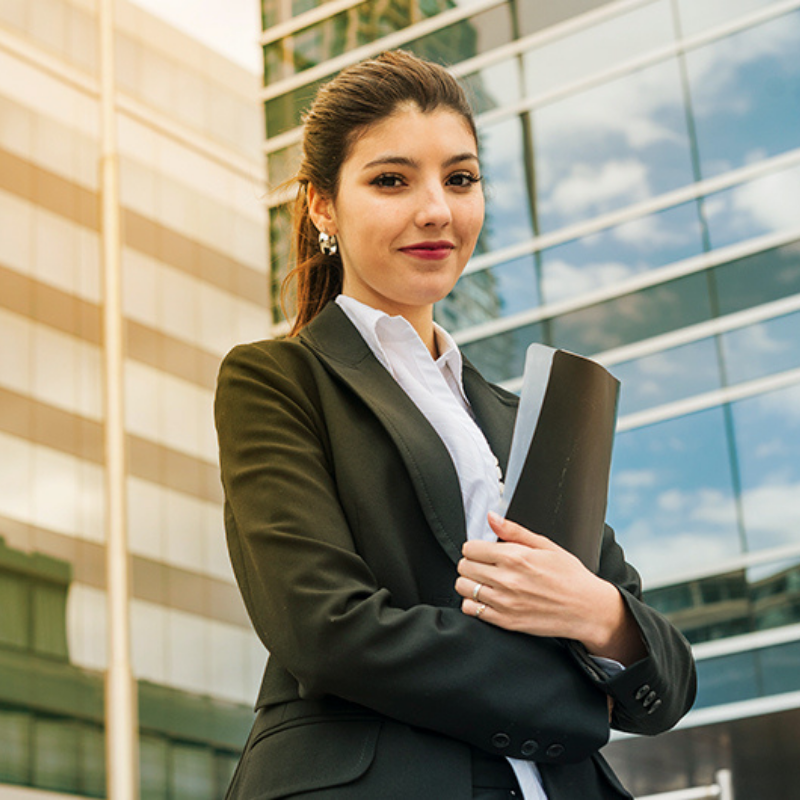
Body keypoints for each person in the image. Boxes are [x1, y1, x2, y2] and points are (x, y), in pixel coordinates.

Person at [215, 49, 696, 800]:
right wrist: (575, 698)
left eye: (460, 178)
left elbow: (666, 679)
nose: (436, 208)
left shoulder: (522, 418)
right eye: (391, 180)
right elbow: (323, 627)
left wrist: (600, 614)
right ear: (322, 206)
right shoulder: (279, 381)